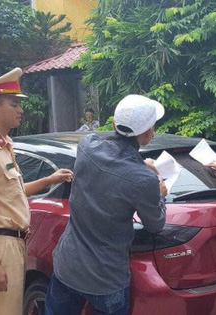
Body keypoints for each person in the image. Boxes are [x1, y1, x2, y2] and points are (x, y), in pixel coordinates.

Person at [0, 68, 73, 315]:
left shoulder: (3, 144)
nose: (21, 110)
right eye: (14, 104)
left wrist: (49, 179)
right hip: (0, 246)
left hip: (14, 244)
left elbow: (13, 192)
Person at [46, 94, 168, 315]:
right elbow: (156, 224)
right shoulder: (145, 180)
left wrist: (140, 164)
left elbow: (110, 167)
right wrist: (160, 193)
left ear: (113, 124)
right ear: (149, 133)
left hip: (68, 265)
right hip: (106, 278)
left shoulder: (86, 146)